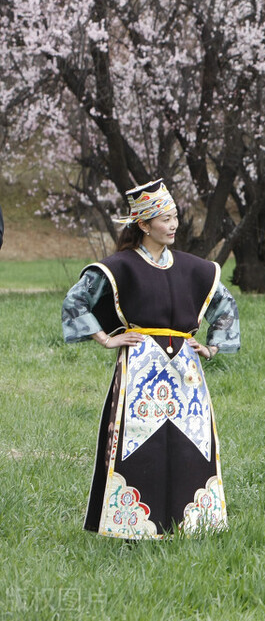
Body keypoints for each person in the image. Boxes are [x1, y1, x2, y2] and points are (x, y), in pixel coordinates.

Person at [62, 179, 240, 539]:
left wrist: (213, 347)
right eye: (165, 219)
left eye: (175, 217)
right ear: (144, 225)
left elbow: (226, 305)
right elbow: (75, 300)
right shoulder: (120, 266)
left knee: (191, 444)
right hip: (140, 366)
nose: (173, 225)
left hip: (186, 371)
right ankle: (132, 528)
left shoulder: (194, 268)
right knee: (139, 444)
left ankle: (193, 525)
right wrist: (105, 338)